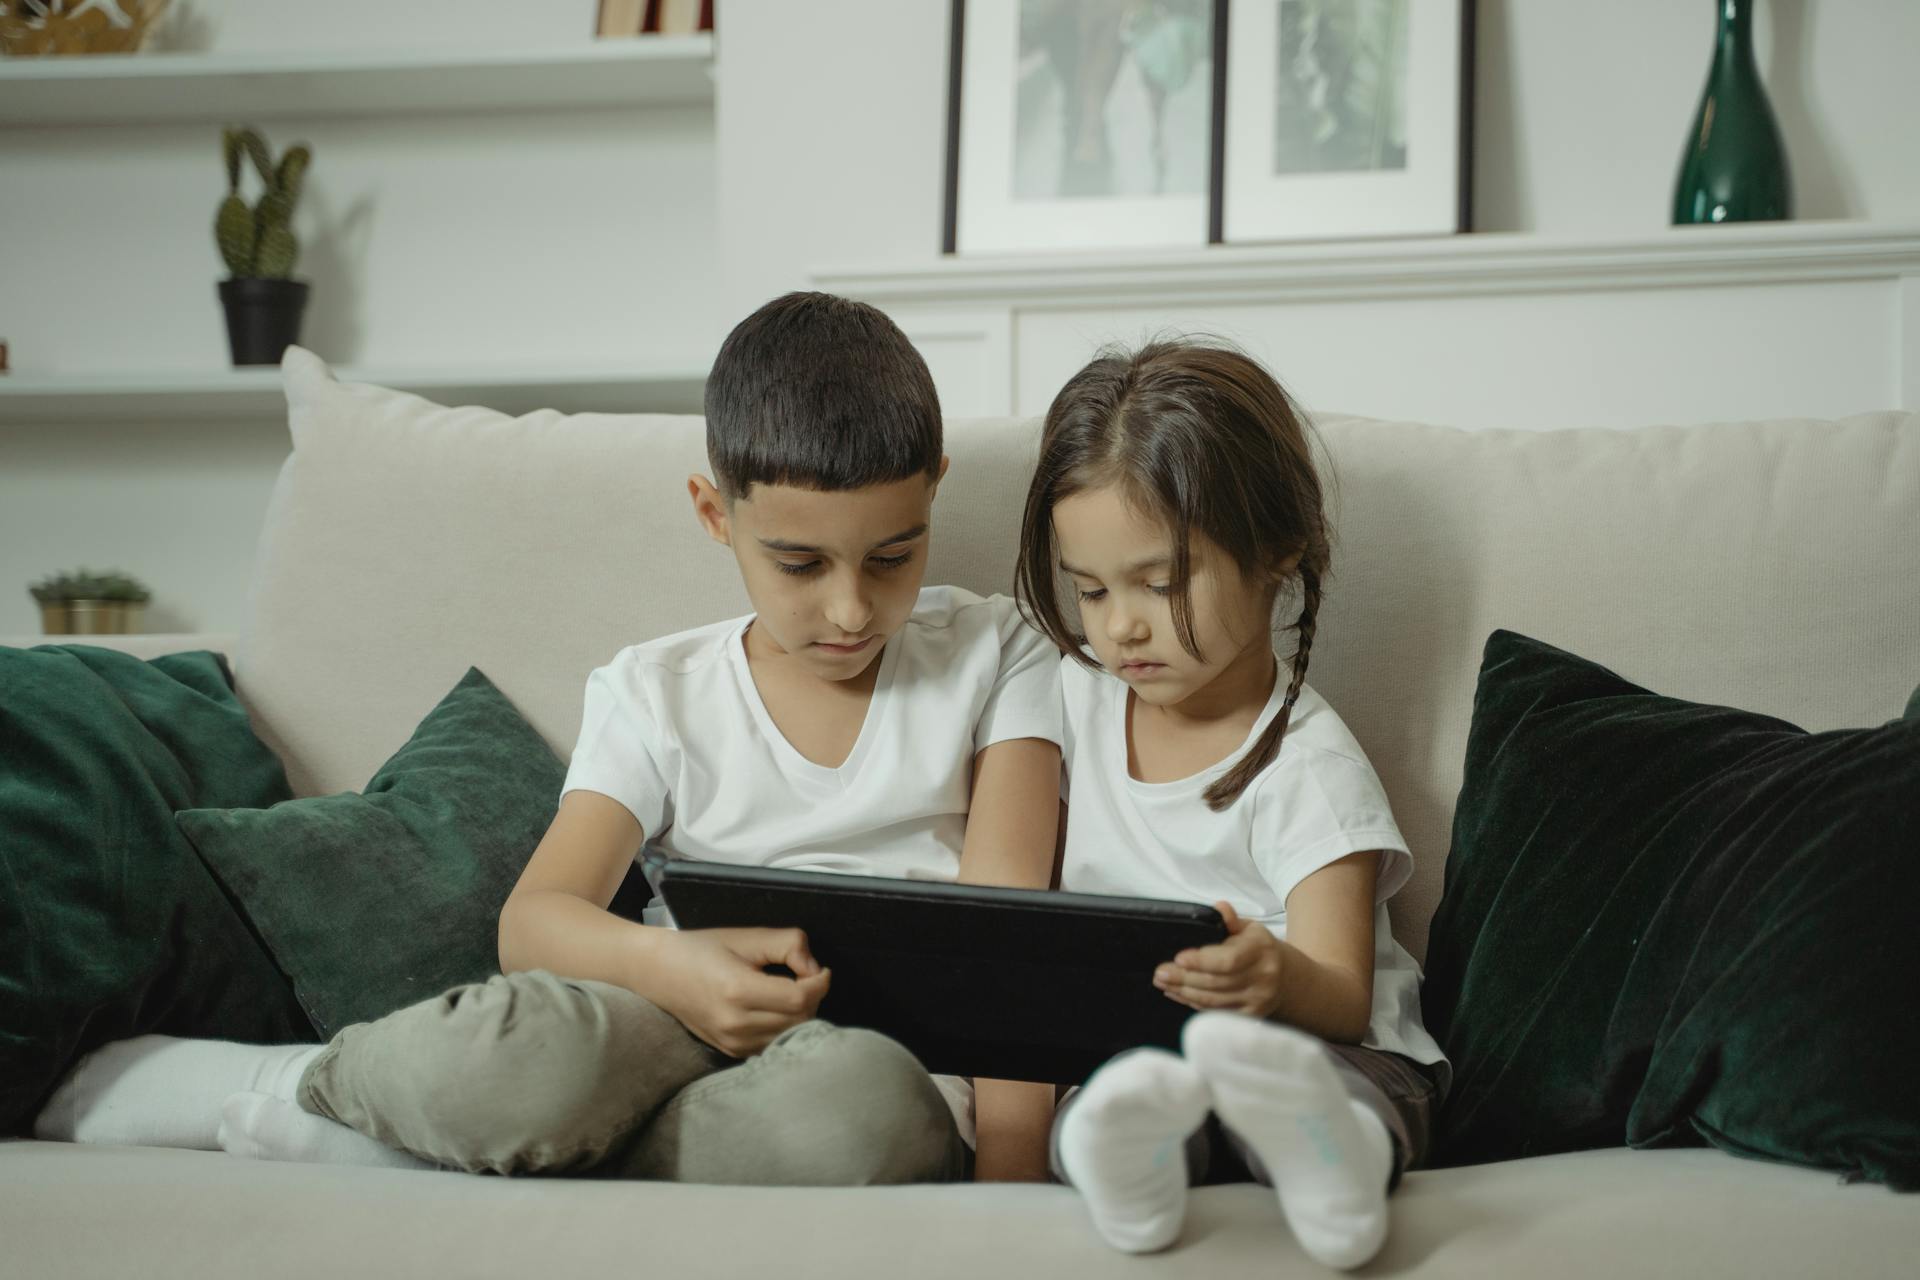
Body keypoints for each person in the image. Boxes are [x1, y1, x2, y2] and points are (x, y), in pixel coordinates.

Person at [33, 292, 1063, 1185]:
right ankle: (313, 1089)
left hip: (870, 1064)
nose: (850, 608)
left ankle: (476, 1152)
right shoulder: (657, 687)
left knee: (856, 1111)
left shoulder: (999, 652)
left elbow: (1012, 949)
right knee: (521, 1056)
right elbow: (536, 920)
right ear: (714, 513)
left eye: (894, 553)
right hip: (666, 1022)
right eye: (798, 563)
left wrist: (1010, 1182)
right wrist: (679, 971)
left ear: (934, 488)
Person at [1013, 339, 1449, 1267]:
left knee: (1311, 1098)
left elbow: (1340, 992)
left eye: (1161, 584)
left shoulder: (1307, 763)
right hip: (1151, 1056)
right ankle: (1129, 1171)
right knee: (1111, 1104)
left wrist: (1271, 978)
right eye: (1089, 589)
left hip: (1331, 1052)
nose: (1120, 625)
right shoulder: (1071, 702)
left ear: (1274, 554)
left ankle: (1335, 1165)